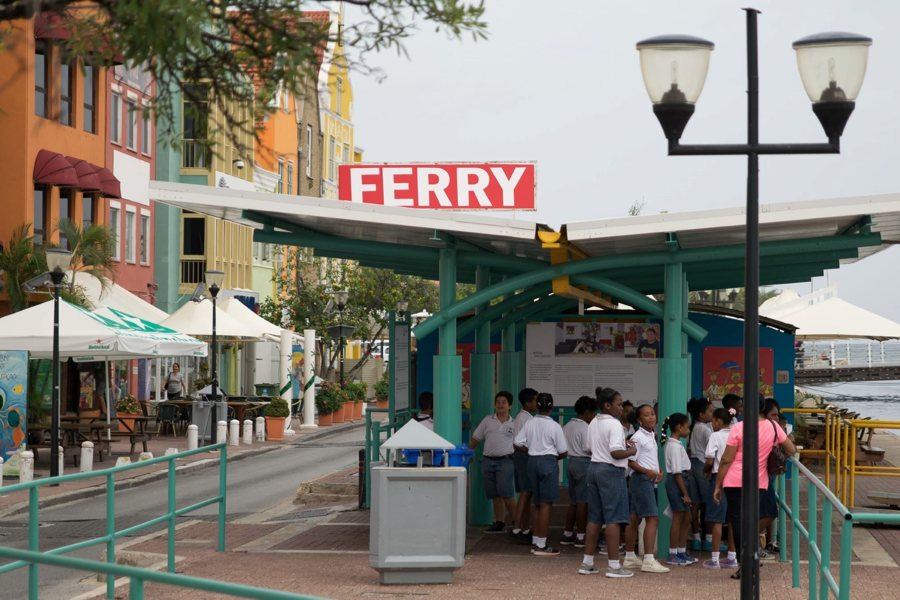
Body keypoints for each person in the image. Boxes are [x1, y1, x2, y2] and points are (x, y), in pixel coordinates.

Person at [713, 396, 797, 580]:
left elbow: (726, 459)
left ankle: (746, 565)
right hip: (759, 482)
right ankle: (752, 558)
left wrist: (717, 485)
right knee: (751, 521)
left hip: (735, 481)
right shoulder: (774, 426)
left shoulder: (738, 427)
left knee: (738, 523)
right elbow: (791, 449)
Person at [579, 387, 636, 579]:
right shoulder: (615, 424)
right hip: (611, 471)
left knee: (594, 518)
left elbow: (588, 448)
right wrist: (631, 451)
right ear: (607, 405)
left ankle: (587, 563)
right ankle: (614, 566)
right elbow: (615, 452)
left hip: (593, 468)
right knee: (614, 518)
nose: (622, 408)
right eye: (619, 404)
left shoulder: (594, 421)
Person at [513, 392, 568, 556]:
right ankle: (542, 545)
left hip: (532, 462)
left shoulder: (529, 423)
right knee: (546, 504)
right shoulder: (554, 426)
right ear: (551, 407)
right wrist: (552, 456)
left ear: (537, 406)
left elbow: (517, 443)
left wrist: (530, 450)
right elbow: (564, 451)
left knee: (537, 503)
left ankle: (536, 540)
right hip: (548, 462)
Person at [622, 403, 671, 574]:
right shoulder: (637, 437)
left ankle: (629, 557)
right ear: (639, 419)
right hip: (641, 481)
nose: (651, 417)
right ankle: (649, 559)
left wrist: (657, 471)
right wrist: (647, 472)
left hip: (647, 480)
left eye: (652, 414)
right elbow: (630, 460)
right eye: (646, 415)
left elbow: (647, 458)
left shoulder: (651, 435)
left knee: (634, 519)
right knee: (652, 519)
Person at [469, 391, 517, 534]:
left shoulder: (515, 424)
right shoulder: (487, 420)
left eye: (504, 402)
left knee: (506, 492)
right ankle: (499, 522)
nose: (500, 405)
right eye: (498, 402)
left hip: (506, 461)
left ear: (510, 406)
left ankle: (518, 522)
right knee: (494, 493)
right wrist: (468, 453)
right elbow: (476, 438)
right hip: (488, 461)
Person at [702, 407, 738, 570]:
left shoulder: (715, 436)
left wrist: (706, 473)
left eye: (713, 421)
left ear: (717, 421)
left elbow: (710, 460)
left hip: (719, 477)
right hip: (735, 478)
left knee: (717, 519)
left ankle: (715, 558)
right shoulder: (736, 433)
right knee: (732, 518)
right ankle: (732, 556)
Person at [662, 412, 697, 566]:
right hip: (678, 482)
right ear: (678, 427)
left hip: (682, 481)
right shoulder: (674, 446)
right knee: (678, 517)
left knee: (686, 517)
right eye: (687, 427)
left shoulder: (676, 444)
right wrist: (685, 493)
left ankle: (681, 551)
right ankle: (673, 553)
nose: (688, 430)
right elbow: (677, 472)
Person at [561, 395, 596, 548]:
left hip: (571, 462)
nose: (594, 416)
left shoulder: (567, 425)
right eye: (593, 413)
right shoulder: (586, 428)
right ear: (587, 412)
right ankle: (581, 536)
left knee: (574, 501)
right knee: (583, 502)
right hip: (583, 463)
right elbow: (589, 449)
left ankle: (567, 533)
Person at [510, 388, 538, 544]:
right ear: (528, 403)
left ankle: (524, 527)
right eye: (535, 400)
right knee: (526, 493)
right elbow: (519, 443)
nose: (536, 404)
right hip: (524, 457)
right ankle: (517, 527)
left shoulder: (523, 416)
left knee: (527, 493)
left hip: (522, 457)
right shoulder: (526, 418)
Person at [687, 397, 714, 551]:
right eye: (710, 411)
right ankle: (709, 539)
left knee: (695, 503)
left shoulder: (694, 427)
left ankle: (696, 537)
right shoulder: (705, 429)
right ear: (701, 414)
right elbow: (712, 449)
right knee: (711, 502)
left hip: (693, 464)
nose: (712, 414)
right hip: (704, 465)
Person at [759, 398, 782, 559]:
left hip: (765, 475)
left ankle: (762, 542)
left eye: (777, 416)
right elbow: (791, 447)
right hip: (762, 476)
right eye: (773, 415)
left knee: (767, 511)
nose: (776, 419)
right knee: (770, 511)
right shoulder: (771, 428)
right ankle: (752, 542)